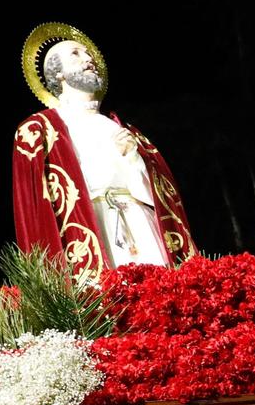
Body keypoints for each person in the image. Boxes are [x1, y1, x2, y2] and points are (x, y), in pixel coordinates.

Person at [13, 24, 195, 283]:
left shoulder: (123, 128)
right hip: (92, 228)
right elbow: (36, 209)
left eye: (89, 54)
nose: (89, 59)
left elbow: (160, 197)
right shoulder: (40, 130)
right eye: (76, 54)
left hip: (142, 227)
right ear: (58, 74)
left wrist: (132, 158)